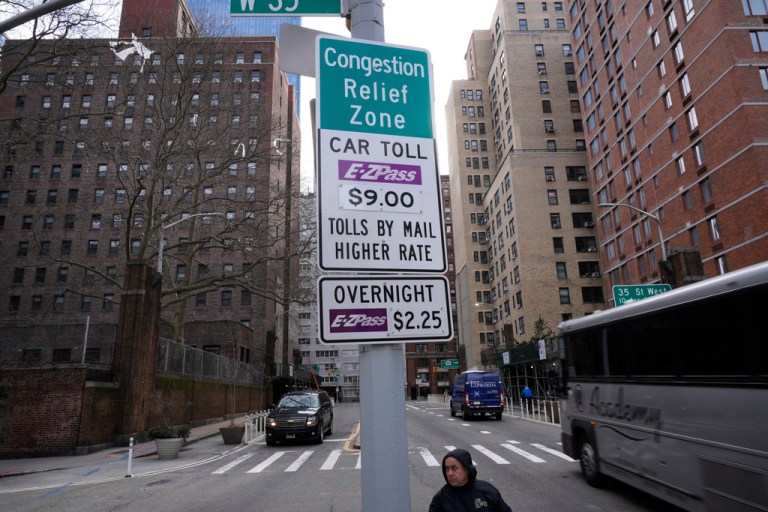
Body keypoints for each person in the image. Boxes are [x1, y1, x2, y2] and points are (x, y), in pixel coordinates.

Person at [429, 448, 513, 512]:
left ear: (467, 469)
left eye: (454, 468)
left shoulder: (487, 491)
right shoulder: (441, 499)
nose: (449, 473)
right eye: (447, 469)